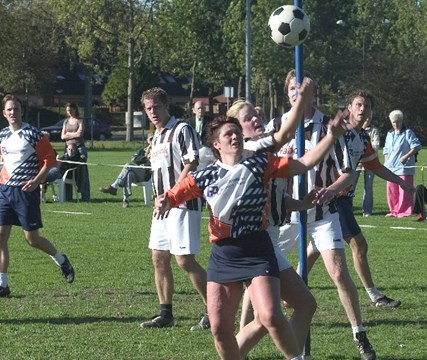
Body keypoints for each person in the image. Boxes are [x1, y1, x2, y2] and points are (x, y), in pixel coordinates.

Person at [154, 114, 345, 360]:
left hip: (258, 250)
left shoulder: (260, 164)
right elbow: (174, 195)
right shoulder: (204, 176)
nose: (235, 136)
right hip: (224, 256)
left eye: (237, 132)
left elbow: (304, 163)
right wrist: (164, 200)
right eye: (228, 134)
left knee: (270, 315)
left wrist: (331, 136)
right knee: (220, 331)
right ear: (216, 144)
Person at [266, 70, 377, 360]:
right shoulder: (276, 126)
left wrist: (330, 191)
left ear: (312, 92)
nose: (296, 93)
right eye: (291, 88)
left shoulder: (329, 126)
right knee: (261, 276)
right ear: (286, 92)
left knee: (339, 272)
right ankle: (250, 339)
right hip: (285, 215)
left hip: (323, 213)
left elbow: (349, 174)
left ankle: (359, 333)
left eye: (301, 88)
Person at [226, 80, 317, 356]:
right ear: (236, 129)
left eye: (257, 114)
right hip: (260, 242)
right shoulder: (251, 152)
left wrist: (300, 204)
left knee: (276, 315)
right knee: (286, 311)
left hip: (270, 239)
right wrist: (303, 100)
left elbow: (275, 198)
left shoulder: (264, 152)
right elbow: (287, 132)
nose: (256, 119)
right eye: (247, 117)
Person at [306, 90, 413, 311]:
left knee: (315, 247)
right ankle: (375, 296)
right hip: (332, 198)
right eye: (359, 105)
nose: (363, 110)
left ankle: (289, 290)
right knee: (359, 245)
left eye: (367, 106)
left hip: (340, 198)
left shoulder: (362, 138)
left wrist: (400, 182)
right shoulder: (335, 132)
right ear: (350, 108)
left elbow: (375, 166)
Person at [138, 88, 209, 331]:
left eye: (156, 106)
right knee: (159, 257)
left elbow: (193, 161)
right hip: (162, 206)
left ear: (166, 105)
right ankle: (165, 313)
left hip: (183, 202)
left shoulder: (182, 130)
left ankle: (215, 308)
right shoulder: (156, 137)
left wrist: (172, 194)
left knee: (184, 260)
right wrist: (161, 198)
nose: (152, 112)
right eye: (148, 108)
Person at [0, 95, 75, 298]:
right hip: (5, 191)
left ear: (21, 111)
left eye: (15, 108)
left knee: (32, 239)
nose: (12, 112)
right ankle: (2, 284)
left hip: (26, 192)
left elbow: (50, 160)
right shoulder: (3, 135)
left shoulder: (32, 134)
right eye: (9, 110)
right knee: (1, 236)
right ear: (4, 113)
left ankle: (61, 260)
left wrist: (36, 181)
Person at [383, 110, 421, 217]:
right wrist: (387, 161)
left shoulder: (408, 132)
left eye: (398, 121)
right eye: (394, 122)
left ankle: (404, 211)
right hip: (390, 167)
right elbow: (386, 149)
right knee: (391, 190)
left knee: (404, 190)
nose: (396, 124)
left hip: (404, 167)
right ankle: (393, 211)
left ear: (402, 121)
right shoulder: (389, 134)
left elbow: (416, 146)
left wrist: (406, 156)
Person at [100, 136, 152, 208]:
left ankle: (114, 186)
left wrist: (148, 156)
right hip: (137, 172)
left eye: (154, 138)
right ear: (147, 140)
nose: (152, 140)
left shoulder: (156, 150)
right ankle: (126, 200)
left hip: (147, 174)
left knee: (127, 166)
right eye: (150, 139)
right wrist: (145, 157)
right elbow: (134, 159)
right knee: (129, 174)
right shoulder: (142, 150)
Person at [61, 102, 90, 202]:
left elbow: (79, 134)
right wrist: (72, 134)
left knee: (82, 172)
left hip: (79, 148)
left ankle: (85, 197)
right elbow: (62, 136)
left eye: (71, 110)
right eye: (67, 110)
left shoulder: (80, 121)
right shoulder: (66, 122)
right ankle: (68, 197)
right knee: (66, 171)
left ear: (75, 109)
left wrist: (68, 133)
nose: (69, 112)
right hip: (67, 149)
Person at [353, 115, 380, 216]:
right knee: (351, 186)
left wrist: (365, 156)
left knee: (368, 187)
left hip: (369, 162)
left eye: (369, 118)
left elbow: (375, 145)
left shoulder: (374, 131)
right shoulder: (355, 129)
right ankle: (348, 207)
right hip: (356, 163)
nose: (367, 119)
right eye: (366, 118)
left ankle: (367, 210)